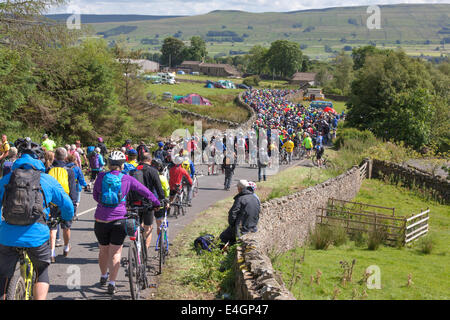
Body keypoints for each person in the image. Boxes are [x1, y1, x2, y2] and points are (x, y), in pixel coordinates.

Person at [0, 139, 74, 300]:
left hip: (7, 235)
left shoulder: (6, 180)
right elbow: (67, 204)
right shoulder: (47, 180)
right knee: (42, 270)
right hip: (37, 235)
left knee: (4, 276)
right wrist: (66, 218)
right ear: (39, 160)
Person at [93, 151, 160, 295]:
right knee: (116, 252)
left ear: (109, 164)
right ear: (122, 164)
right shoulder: (126, 178)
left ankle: (103, 275)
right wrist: (156, 202)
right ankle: (112, 282)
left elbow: (95, 195)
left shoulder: (101, 176)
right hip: (119, 219)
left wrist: (104, 206)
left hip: (100, 219)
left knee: (103, 250)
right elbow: (145, 191)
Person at [128, 153, 165, 251]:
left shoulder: (133, 171)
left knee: (137, 226)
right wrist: (162, 199)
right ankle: (145, 252)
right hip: (148, 203)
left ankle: (137, 250)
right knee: (148, 227)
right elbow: (159, 188)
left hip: (134, 203)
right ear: (150, 160)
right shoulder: (153, 171)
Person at [47, 147, 77, 262]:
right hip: (65, 202)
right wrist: (73, 206)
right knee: (66, 227)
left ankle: (52, 252)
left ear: (54, 156)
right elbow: (72, 190)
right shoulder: (69, 171)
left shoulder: (49, 169)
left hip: (52, 202)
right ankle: (66, 247)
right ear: (65, 157)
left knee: (52, 228)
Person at [219, 180, 260, 247]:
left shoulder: (240, 198)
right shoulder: (255, 197)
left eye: (238, 188)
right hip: (253, 226)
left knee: (223, 237)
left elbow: (232, 213)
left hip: (243, 227)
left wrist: (232, 225)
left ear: (240, 188)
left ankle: (218, 253)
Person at [65, 154, 88, 221]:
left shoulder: (64, 167)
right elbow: (81, 178)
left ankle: (67, 212)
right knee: (76, 201)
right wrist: (85, 185)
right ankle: (73, 214)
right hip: (76, 186)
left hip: (66, 185)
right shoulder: (77, 168)